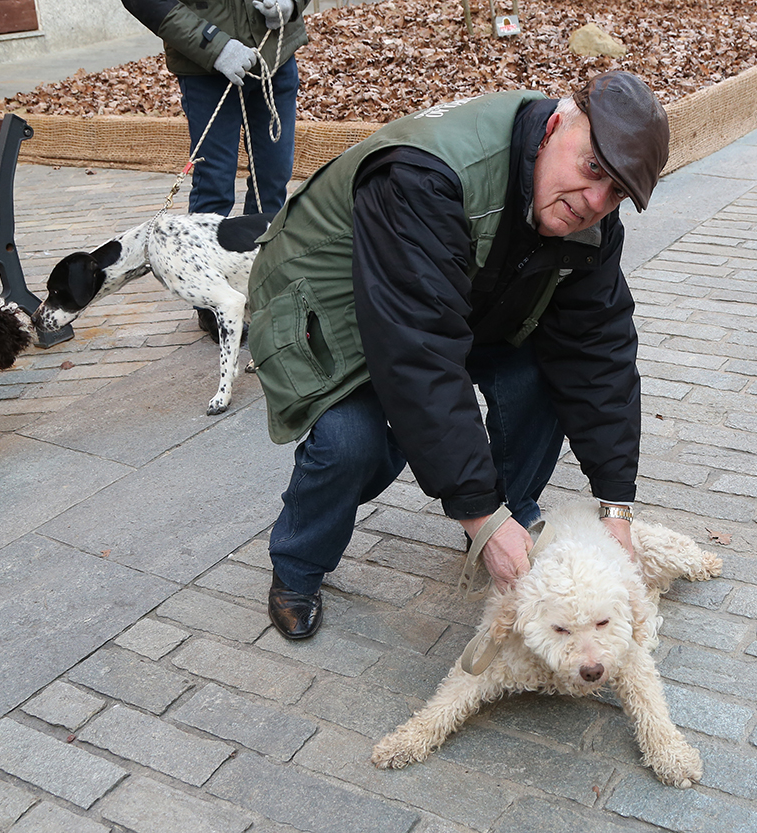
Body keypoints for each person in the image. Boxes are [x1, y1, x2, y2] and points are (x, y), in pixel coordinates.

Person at [247, 71, 670, 639]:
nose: (596, 201)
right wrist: (472, 502)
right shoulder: (422, 178)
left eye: (616, 191)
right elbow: (418, 351)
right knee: (354, 442)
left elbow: (598, 352)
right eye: (593, 168)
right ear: (554, 126)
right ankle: (298, 567)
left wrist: (616, 505)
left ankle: (505, 523)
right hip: (327, 299)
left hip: (452, 294)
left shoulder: (587, 215)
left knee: (544, 373)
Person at [122, 0, 309, 217]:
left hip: (276, 58)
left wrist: (292, 3)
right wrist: (214, 45)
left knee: (274, 179)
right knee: (215, 187)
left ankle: (261, 250)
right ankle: (204, 252)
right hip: (206, 70)